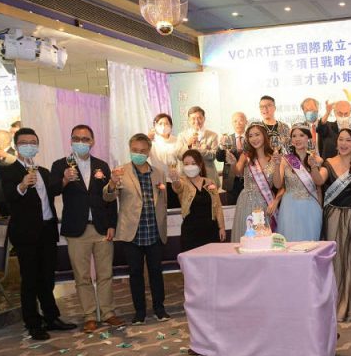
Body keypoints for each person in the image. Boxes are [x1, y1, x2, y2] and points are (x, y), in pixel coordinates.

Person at [1, 128, 76, 340]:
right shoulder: (8, 171)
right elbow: (7, 197)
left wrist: (64, 180)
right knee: (30, 280)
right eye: (24, 142)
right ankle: (33, 322)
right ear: (16, 145)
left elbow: (53, 191)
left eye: (33, 142)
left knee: (47, 278)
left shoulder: (42, 171)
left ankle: (51, 317)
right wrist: (22, 185)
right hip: (26, 234)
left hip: (47, 230)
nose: (29, 146)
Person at [50, 125, 123, 333]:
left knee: (105, 274)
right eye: (76, 138)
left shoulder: (101, 165)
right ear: (71, 141)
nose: (81, 142)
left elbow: (110, 197)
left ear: (92, 141)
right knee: (82, 276)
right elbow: (52, 190)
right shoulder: (60, 165)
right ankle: (89, 315)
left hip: (101, 227)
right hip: (76, 230)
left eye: (85, 139)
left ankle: (108, 312)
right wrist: (65, 179)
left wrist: (112, 224)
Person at [104, 133, 170, 325]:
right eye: (135, 150)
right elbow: (108, 197)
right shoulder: (121, 172)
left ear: (148, 152)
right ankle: (139, 311)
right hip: (132, 232)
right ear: (130, 150)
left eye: (142, 151)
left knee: (156, 272)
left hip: (154, 231)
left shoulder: (159, 173)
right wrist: (112, 183)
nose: (139, 154)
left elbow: (163, 201)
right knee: (135, 273)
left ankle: (159, 308)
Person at [312, 127, 351, 321]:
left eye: (348, 140)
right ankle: (338, 302)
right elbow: (319, 180)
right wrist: (313, 167)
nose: (343, 143)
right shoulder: (329, 162)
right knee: (338, 261)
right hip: (333, 217)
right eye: (341, 139)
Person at [230, 124, 284, 241]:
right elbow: (238, 172)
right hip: (247, 202)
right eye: (250, 136)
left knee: (265, 238)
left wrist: (277, 164)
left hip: (266, 203)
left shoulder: (274, 158)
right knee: (248, 237)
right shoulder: (246, 156)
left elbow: (278, 185)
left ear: (264, 136)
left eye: (257, 134)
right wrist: (233, 163)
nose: (254, 138)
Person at [273, 124, 322, 242]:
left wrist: (320, 208)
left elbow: (319, 185)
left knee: (310, 244)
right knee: (290, 242)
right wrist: (277, 165)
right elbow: (277, 185)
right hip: (289, 206)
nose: (297, 139)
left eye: (301, 135)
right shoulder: (285, 160)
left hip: (311, 206)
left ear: (308, 138)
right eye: (294, 136)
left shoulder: (318, 160)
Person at [171, 149, 225, 251]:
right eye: (186, 164)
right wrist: (175, 180)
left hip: (211, 230)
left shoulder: (210, 182)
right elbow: (177, 187)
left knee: (212, 258)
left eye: (193, 163)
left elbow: (218, 206)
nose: (189, 167)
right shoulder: (183, 182)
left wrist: (221, 227)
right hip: (191, 232)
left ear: (200, 165)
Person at [176, 106, 220, 187]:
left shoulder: (213, 135)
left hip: (208, 177)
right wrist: (188, 145)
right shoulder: (182, 136)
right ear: (189, 120)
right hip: (188, 179)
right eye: (193, 118)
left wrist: (198, 149)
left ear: (204, 119)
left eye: (199, 118)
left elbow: (214, 156)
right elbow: (179, 156)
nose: (196, 121)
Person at [148, 113, 180, 208]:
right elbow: (143, 155)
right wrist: (147, 140)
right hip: (159, 181)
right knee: (160, 208)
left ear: (171, 126)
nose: (163, 126)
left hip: (175, 180)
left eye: (166, 123)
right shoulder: (151, 142)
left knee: (176, 208)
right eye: (160, 123)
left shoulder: (177, 140)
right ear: (155, 126)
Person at [215, 111, 246, 205]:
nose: (238, 123)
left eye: (241, 120)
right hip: (230, 180)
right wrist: (221, 146)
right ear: (232, 123)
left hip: (247, 178)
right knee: (232, 206)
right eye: (235, 121)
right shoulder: (227, 139)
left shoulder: (251, 138)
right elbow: (219, 158)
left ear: (246, 121)